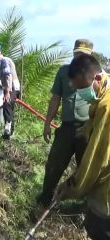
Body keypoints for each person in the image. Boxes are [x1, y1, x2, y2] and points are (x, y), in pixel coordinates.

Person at [56, 54, 110, 240]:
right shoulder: (103, 94)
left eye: (84, 88)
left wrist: (73, 186)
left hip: (107, 194)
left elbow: (97, 158)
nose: (82, 94)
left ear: (97, 78)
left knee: (98, 225)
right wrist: (88, 128)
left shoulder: (107, 107)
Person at [37, 39, 94, 208]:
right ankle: (46, 198)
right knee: (54, 163)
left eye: (84, 55)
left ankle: (87, 204)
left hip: (88, 128)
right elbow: (55, 98)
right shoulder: (63, 72)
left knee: (87, 166)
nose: (80, 57)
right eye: (77, 53)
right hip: (67, 128)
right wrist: (47, 123)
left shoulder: (97, 76)